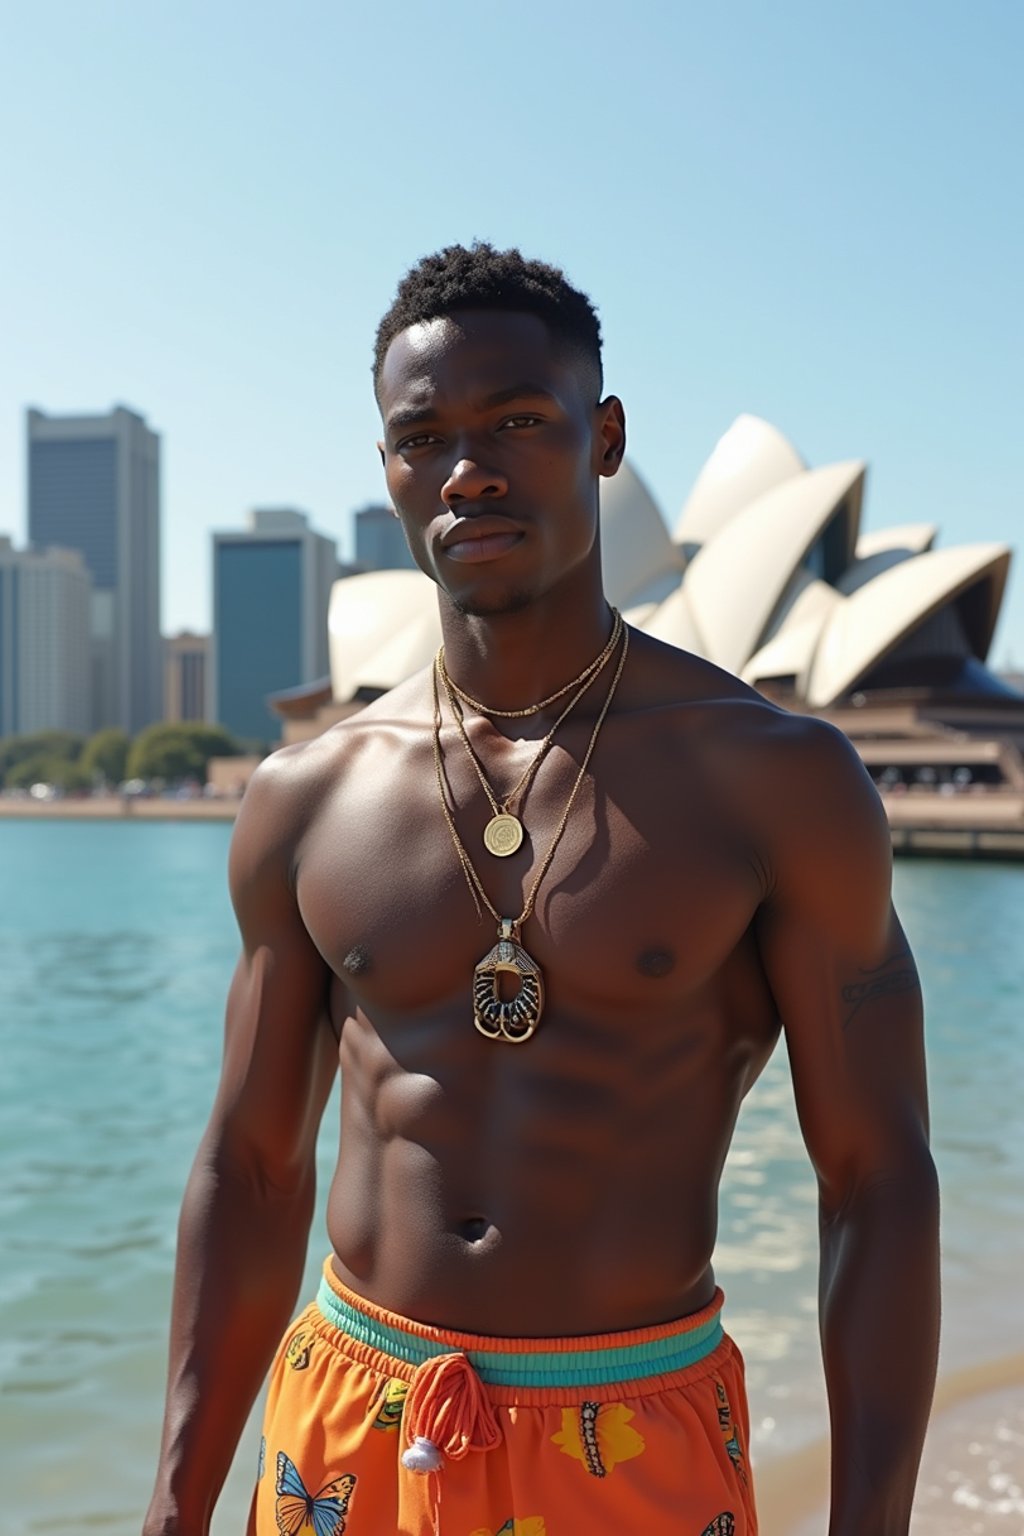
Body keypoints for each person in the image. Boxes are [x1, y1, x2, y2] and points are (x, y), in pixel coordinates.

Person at [144, 243, 939, 1536]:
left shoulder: (775, 782)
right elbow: (250, 1169)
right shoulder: (310, 796)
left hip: (631, 1428)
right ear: (390, 467)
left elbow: (878, 1179)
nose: (468, 469)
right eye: (424, 438)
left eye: (517, 420)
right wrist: (176, 1506)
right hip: (350, 1429)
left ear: (605, 436)